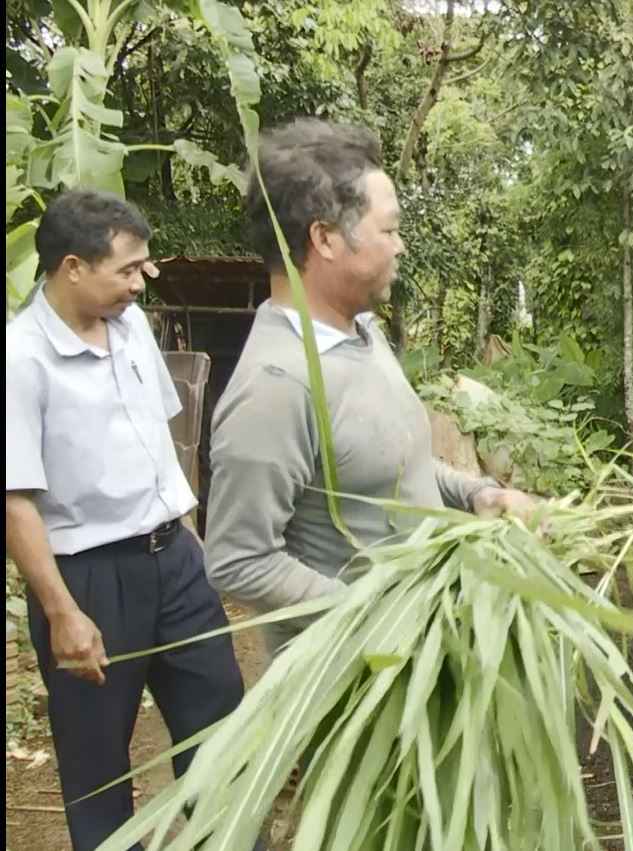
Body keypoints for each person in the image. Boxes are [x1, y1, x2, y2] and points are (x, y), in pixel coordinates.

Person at [205, 117, 534, 654]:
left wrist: (478, 494)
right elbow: (238, 558)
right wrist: (369, 616)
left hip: (415, 652)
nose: (400, 246)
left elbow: (386, 468)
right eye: (389, 230)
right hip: (352, 685)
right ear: (325, 238)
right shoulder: (277, 385)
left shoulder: (361, 333)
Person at [4, 190, 256, 851]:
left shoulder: (134, 326)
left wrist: (191, 541)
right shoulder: (19, 358)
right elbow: (14, 500)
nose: (142, 281)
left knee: (220, 725)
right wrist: (62, 612)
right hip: (88, 580)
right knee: (97, 767)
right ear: (71, 268)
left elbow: (161, 440)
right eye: (127, 268)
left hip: (174, 559)